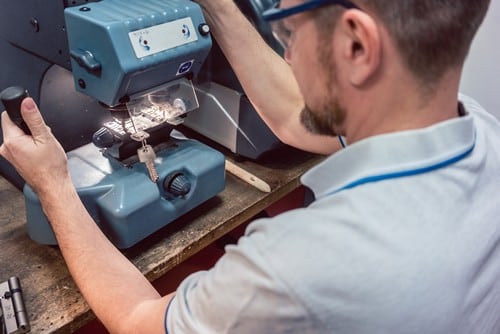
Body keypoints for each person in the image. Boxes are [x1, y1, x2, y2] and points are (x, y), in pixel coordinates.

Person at [1, 0, 499, 333]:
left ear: (356, 46)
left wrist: (54, 185)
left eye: (289, 31)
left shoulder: (298, 266)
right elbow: (289, 113)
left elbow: (137, 318)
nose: (287, 50)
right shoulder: (480, 131)